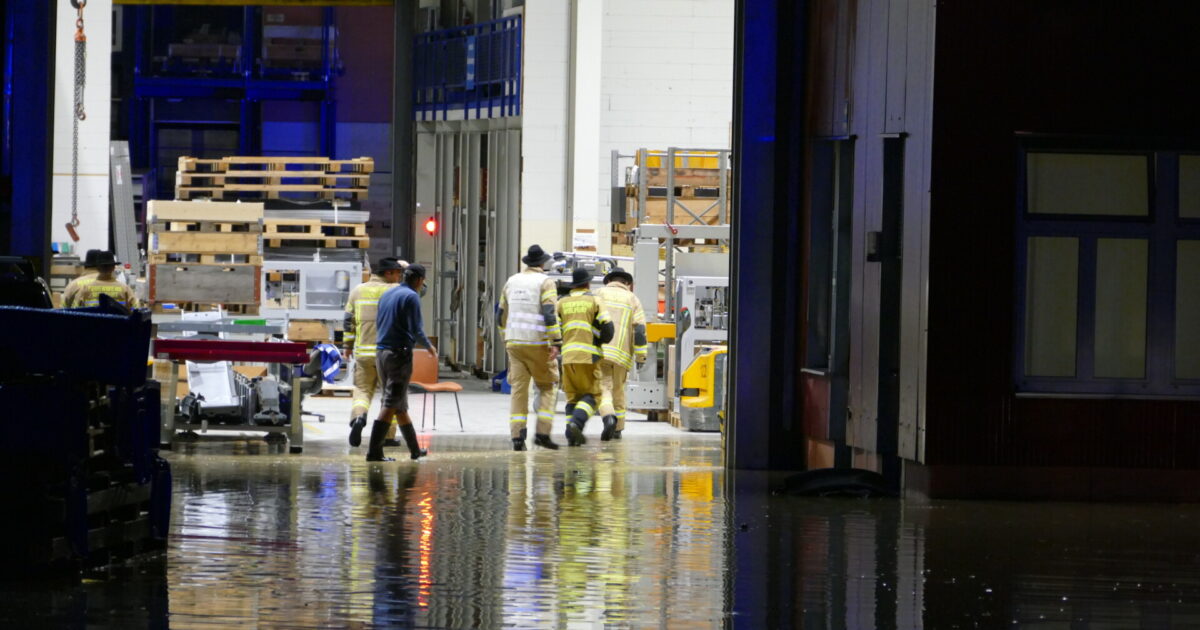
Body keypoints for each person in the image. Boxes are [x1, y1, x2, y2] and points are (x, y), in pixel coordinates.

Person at [366, 263, 435, 462]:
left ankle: (414, 450)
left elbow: (379, 321)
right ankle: (374, 451)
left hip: (381, 352)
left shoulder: (388, 294)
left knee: (399, 404)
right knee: (390, 403)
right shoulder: (411, 297)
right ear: (420, 280)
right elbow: (416, 329)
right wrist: (429, 347)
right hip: (399, 354)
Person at [498, 244, 563, 451]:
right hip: (537, 343)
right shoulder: (545, 282)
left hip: (514, 343)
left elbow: (500, 315)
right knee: (547, 386)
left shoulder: (512, 281)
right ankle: (542, 433)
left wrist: (505, 339)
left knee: (518, 390)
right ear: (542, 263)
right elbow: (549, 312)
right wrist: (556, 341)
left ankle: (517, 436)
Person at [344, 257, 405, 447]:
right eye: (397, 273)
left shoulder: (357, 291)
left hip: (363, 353)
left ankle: (359, 418)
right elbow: (419, 293)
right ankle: (387, 436)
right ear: (388, 273)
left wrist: (347, 346)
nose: (399, 277)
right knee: (391, 395)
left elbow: (348, 321)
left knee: (362, 390)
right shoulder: (396, 291)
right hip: (388, 354)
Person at [556, 268, 614, 446]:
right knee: (594, 395)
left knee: (572, 397)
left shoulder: (561, 302)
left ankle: (571, 434)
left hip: (567, 357)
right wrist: (599, 339)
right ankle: (576, 423)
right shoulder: (595, 300)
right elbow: (608, 329)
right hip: (589, 356)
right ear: (588, 283)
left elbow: (555, 331)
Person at [595, 267, 649, 440]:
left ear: (609, 280)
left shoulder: (597, 294)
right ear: (626, 283)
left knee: (603, 388)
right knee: (618, 390)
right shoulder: (633, 299)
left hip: (599, 351)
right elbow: (640, 330)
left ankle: (608, 417)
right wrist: (641, 356)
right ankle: (618, 428)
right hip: (621, 355)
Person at [66, 251, 138, 308]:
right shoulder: (125, 289)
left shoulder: (85, 289)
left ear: (98, 268)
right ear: (113, 268)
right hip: (117, 326)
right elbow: (136, 311)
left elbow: (75, 311)